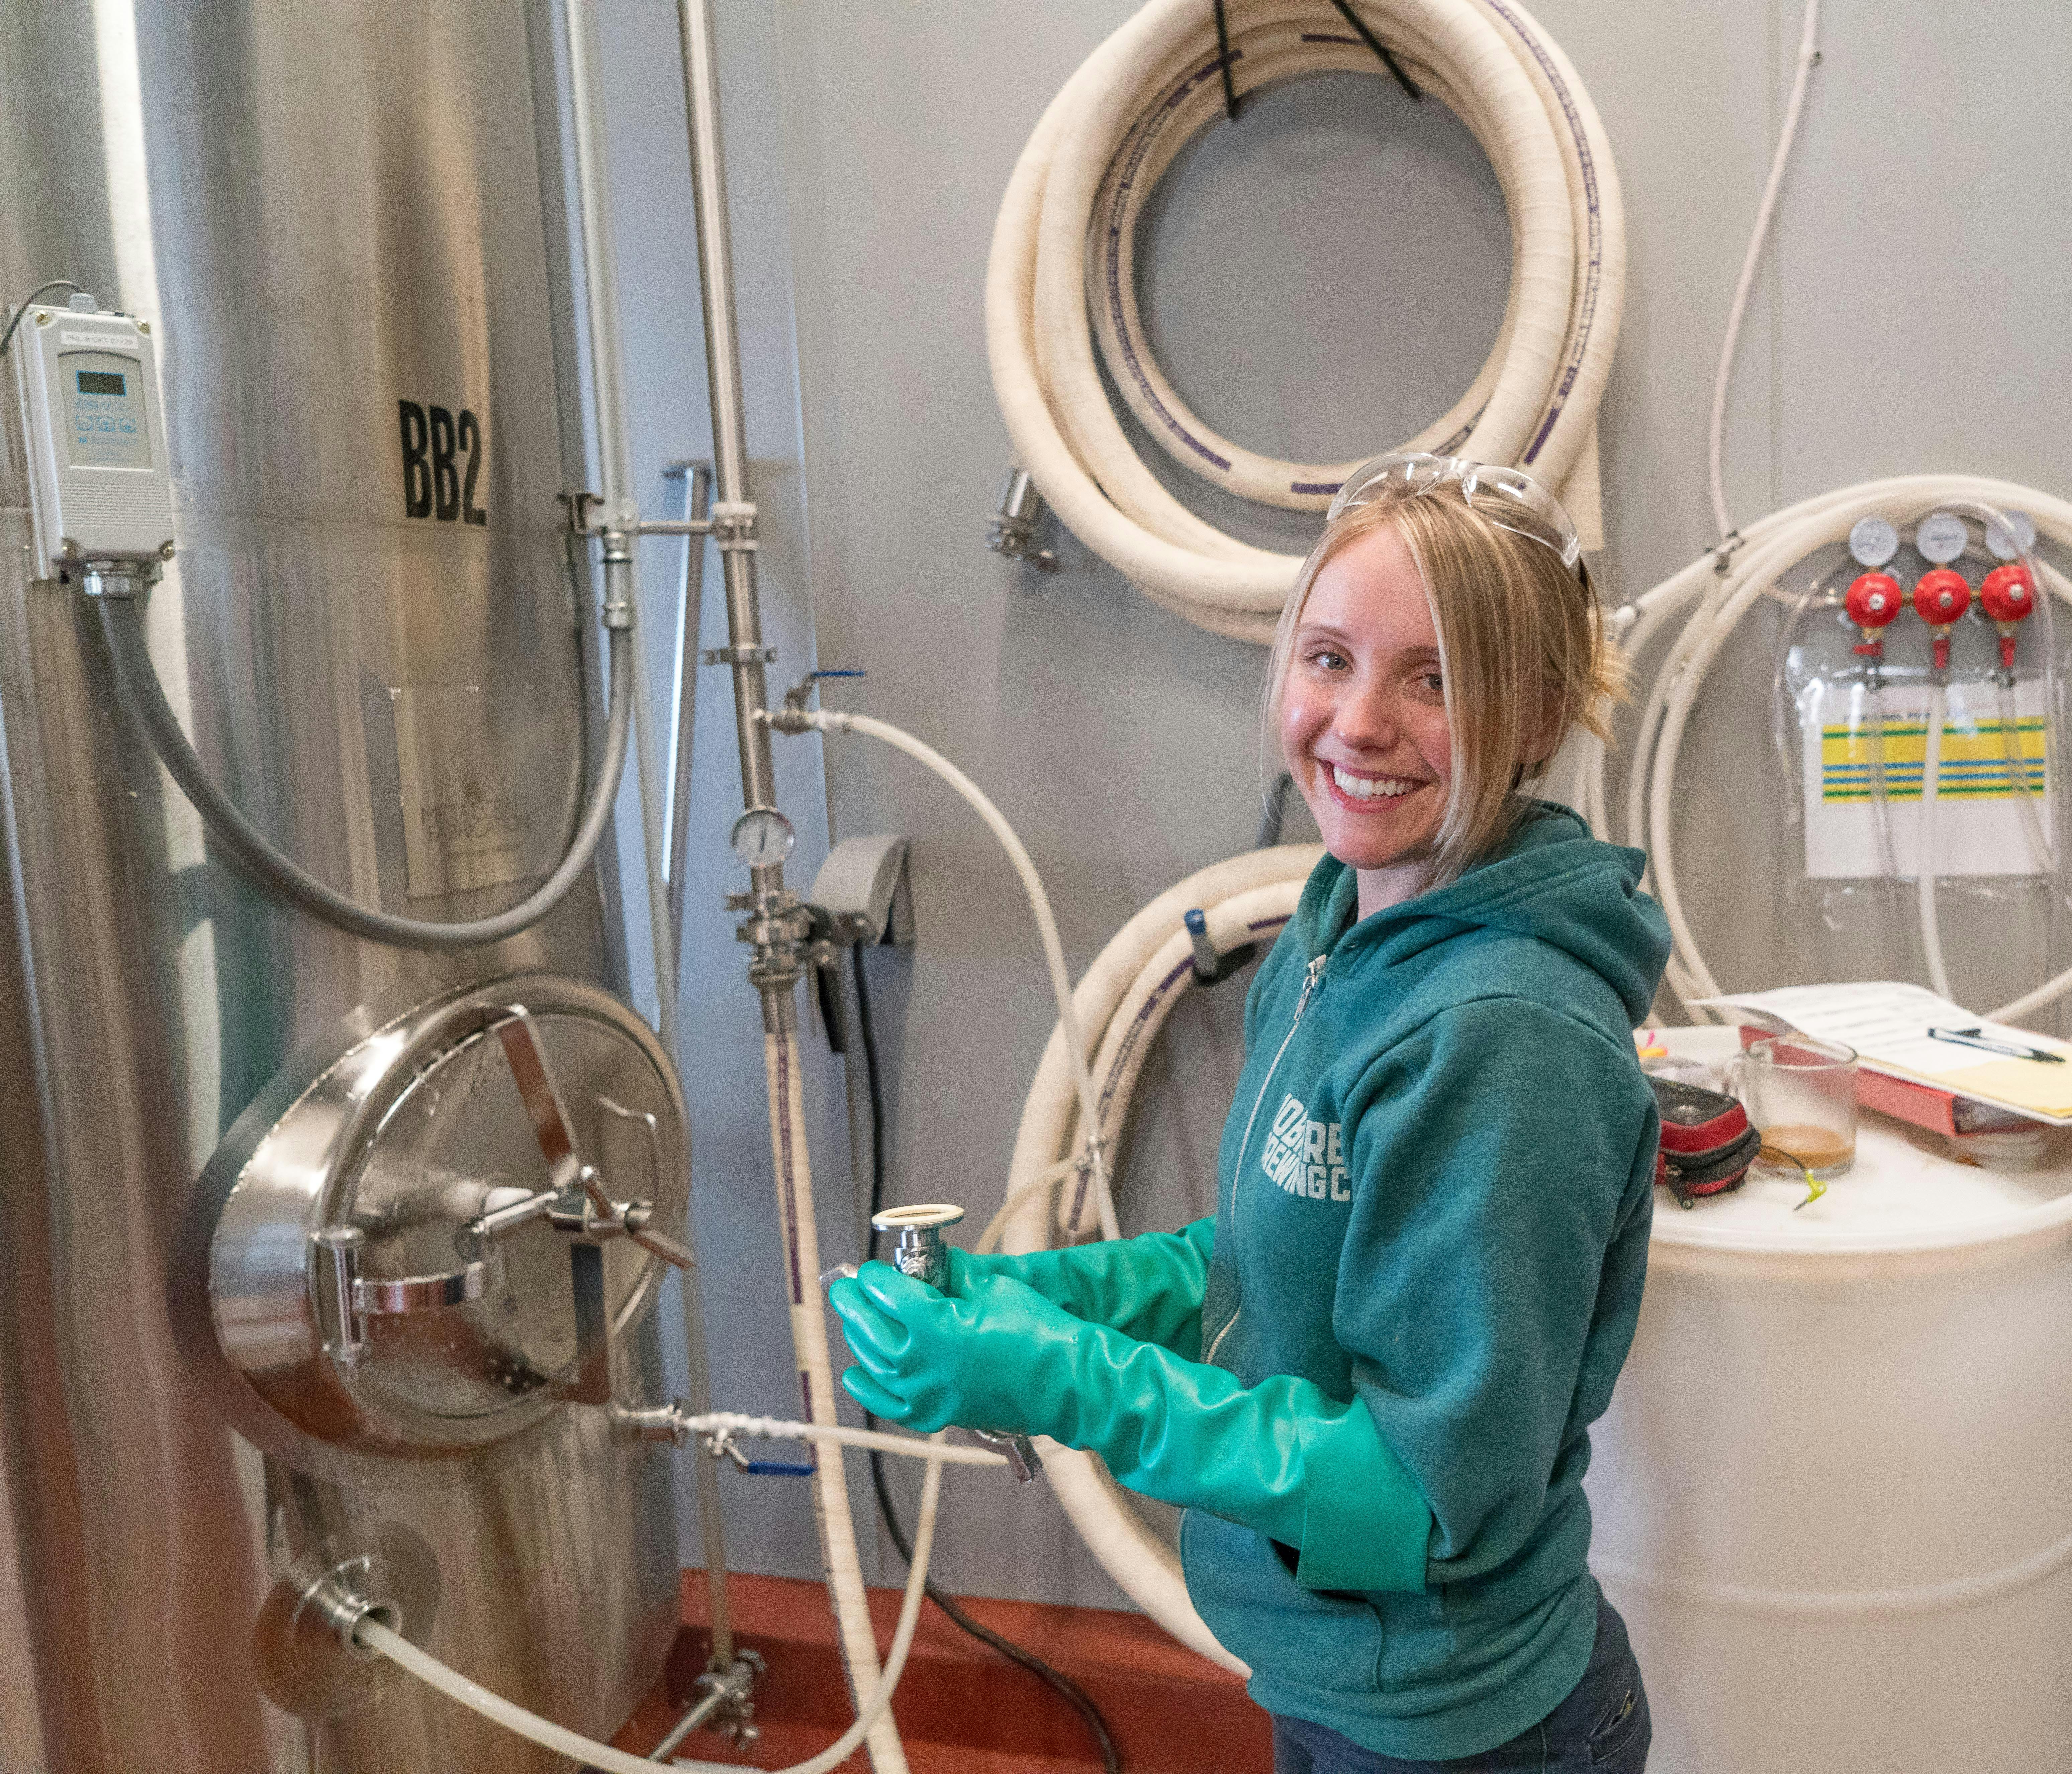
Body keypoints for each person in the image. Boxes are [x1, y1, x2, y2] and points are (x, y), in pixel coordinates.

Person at [828, 453, 1669, 1773]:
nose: (1358, 722)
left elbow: (1415, 1501)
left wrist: (1056, 1379)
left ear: (1538, 711)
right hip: (1333, 1678)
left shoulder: (1502, 1037)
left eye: (1435, 678)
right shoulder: (1340, 923)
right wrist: (1043, 1299)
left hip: (1457, 1728)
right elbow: (1272, 1271)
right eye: (1328, 657)